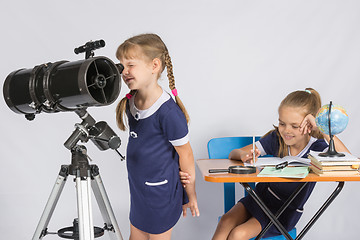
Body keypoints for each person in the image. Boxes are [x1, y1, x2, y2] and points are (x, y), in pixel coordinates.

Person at [210, 88, 350, 240]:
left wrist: (321, 128)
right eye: (282, 123)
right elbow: (233, 153)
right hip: (258, 198)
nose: (286, 131)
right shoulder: (276, 139)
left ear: (309, 125)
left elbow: (348, 161)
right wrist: (244, 155)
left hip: (283, 212)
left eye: (294, 126)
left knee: (239, 234)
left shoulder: (318, 147)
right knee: (226, 221)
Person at [115, 33, 199, 240]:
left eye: (130, 65)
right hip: (139, 191)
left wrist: (191, 194)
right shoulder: (131, 102)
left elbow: (186, 155)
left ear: (154, 66)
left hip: (160, 194)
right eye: (121, 66)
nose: (124, 72)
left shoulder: (167, 112)